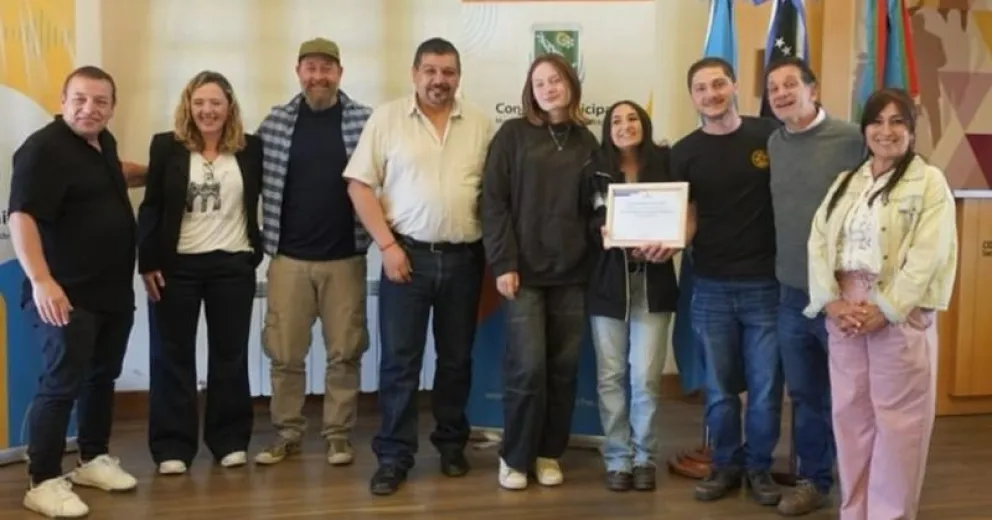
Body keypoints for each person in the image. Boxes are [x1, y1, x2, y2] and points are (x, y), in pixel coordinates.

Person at [344, 37, 492, 496]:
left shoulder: (482, 124)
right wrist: (387, 247)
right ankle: (394, 456)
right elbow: (358, 185)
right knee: (400, 365)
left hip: (466, 260)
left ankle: (451, 445)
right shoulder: (386, 118)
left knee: (456, 361)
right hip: (405, 258)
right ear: (414, 74)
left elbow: (497, 194)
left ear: (458, 77)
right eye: (430, 70)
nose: (439, 80)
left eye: (448, 72)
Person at [806, 87, 957, 520]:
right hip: (845, 312)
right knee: (851, 418)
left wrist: (885, 309)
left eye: (897, 122)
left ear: (911, 130)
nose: (885, 131)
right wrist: (831, 302)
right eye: (877, 121)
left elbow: (928, 256)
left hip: (898, 311)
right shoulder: (847, 181)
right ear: (864, 128)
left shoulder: (929, 182)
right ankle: (854, 512)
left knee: (899, 425)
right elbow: (818, 242)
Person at [9, 65, 138, 518]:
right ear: (63, 101)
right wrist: (43, 281)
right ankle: (42, 479)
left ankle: (91, 458)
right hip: (66, 294)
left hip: (111, 293)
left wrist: (159, 171)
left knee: (101, 378)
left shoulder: (100, 144)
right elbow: (20, 216)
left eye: (100, 101)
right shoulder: (43, 150)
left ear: (111, 108)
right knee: (61, 384)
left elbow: (110, 175)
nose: (90, 108)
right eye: (80, 99)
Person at [482, 53, 600, 491]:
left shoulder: (588, 141)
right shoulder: (513, 135)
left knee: (563, 370)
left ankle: (549, 452)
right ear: (530, 92)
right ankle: (515, 456)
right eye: (539, 83)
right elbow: (494, 203)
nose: (548, 88)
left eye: (555, 80)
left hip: (572, 274)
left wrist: (606, 226)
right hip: (524, 275)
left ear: (570, 84)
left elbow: (595, 207)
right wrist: (504, 263)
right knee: (527, 369)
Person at [254, 38, 373, 466]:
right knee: (285, 355)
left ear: (340, 73)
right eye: (310, 67)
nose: (318, 76)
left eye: (327, 68)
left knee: (345, 353)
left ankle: (338, 435)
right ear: (298, 71)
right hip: (288, 260)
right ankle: (287, 433)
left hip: (346, 259)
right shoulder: (276, 123)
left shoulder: (365, 121)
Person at [137, 70, 263, 475]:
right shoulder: (167, 147)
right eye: (200, 103)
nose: (207, 111)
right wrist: (147, 262)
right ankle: (172, 446)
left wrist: (252, 258)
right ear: (188, 106)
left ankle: (229, 440)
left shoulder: (250, 148)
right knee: (172, 355)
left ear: (230, 108)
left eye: (216, 103)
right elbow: (151, 208)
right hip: (177, 267)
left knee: (230, 356)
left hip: (232, 265)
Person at [670, 57, 784, 506]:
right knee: (719, 392)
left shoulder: (769, 137)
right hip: (711, 287)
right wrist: (659, 242)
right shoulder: (683, 152)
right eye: (701, 88)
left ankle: (758, 469)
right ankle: (725, 467)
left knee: (765, 389)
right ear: (692, 97)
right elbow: (687, 218)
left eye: (719, 84)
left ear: (734, 86)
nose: (711, 94)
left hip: (765, 287)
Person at [764, 56, 866, 515]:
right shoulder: (774, 142)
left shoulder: (851, 139)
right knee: (805, 394)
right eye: (773, 88)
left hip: (842, 295)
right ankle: (814, 480)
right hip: (790, 294)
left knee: (852, 395)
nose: (782, 94)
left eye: (790, 84)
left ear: (813, 88)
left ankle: (863, 481)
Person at [586, 100, 682, 492]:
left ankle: (644, 457)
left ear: (643, 123)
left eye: (631, 118)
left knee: (644, 377)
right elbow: (586, 217)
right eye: (616, 121)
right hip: (608, 283)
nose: (625, 126)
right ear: (607, 129)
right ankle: (618, 458)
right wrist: (603, 231)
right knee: (610, 375)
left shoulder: (667, 163)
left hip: (654, 283)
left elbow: (682, 213)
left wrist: (670, 243)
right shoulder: (594, 170)